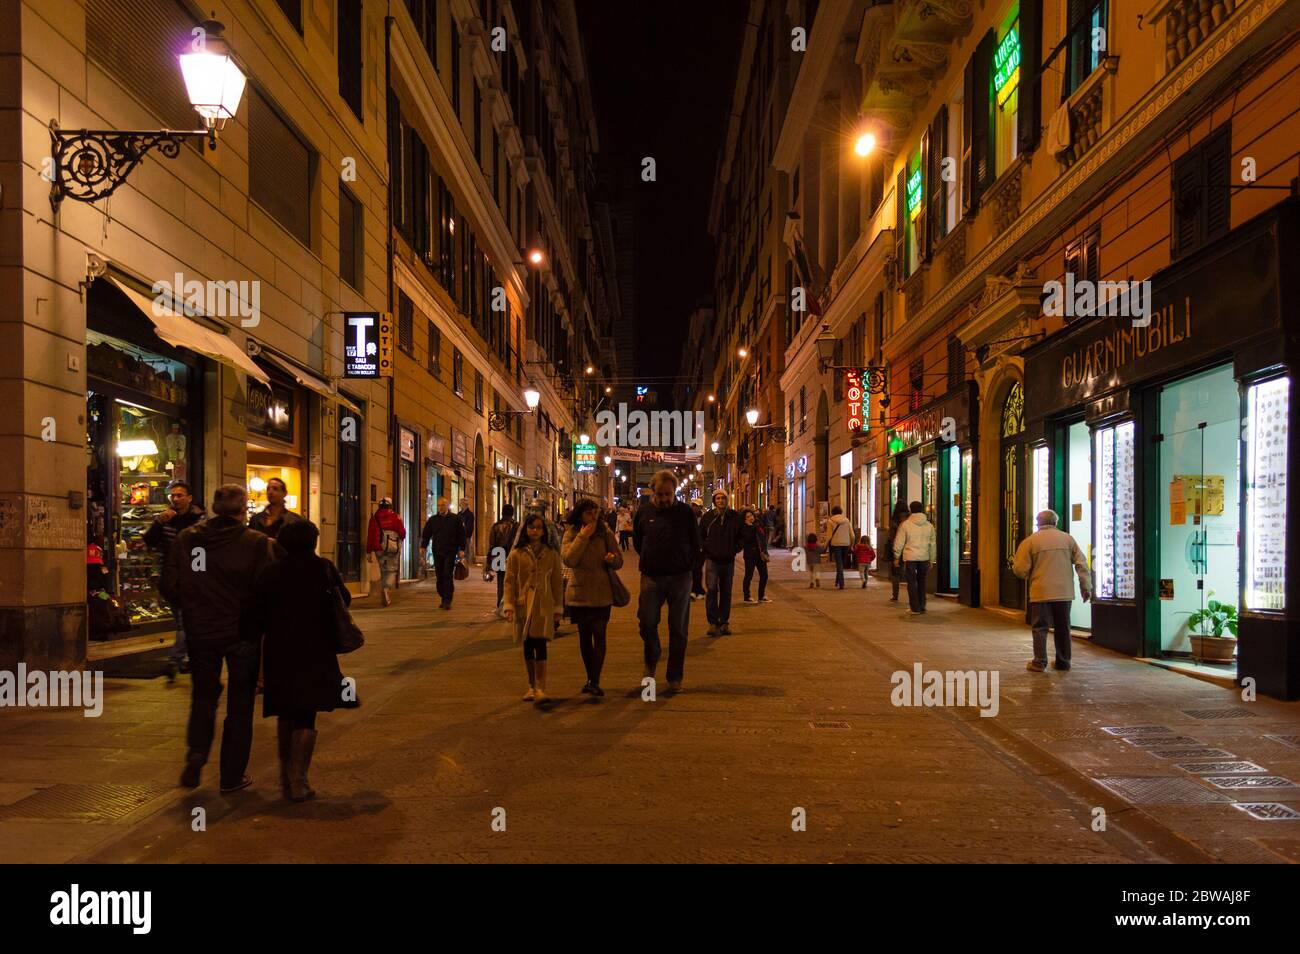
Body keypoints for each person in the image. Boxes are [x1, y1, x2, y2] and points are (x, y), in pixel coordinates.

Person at [161, 483, 279, 793]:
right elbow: (266, 590)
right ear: (243, 510)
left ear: (214, 506)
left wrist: (189, 607)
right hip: (242, 632)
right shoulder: (254, 543)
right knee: (240, 704)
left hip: (201, 630)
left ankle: (197, 753)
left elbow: (169, 583)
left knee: (203, 695)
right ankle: (231, 775)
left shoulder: (189, 538)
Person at [250, 519, 350, 801]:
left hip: (280, 649)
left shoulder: (271, 572)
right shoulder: (323, 569)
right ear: (312, 542)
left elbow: (255, 612)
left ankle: (285, 777)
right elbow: (345, 600)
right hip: (315, 649)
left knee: (285, 710)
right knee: (307, 713)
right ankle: (299, 780)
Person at [633, 469, 700, 692]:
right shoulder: (643, 513)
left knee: (678, 629)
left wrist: (690, 569)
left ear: (674, 492)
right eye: (660, 494)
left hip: (680, 577)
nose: (664, 499)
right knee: (647, 622)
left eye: (668, 494)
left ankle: (674, 678)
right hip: (651, 576)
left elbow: (695, 542)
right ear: (653, 491)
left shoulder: (686, 513)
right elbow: (637, 542)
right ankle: (653, 655)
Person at [1013, 509, 1092, 673]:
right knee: (1063, 627)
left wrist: (1030, 574)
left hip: (1040, 591)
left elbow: (1020, 569)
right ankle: (1063, 662)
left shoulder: (1030, 541)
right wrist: (1086, 587)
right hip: (1063, 592)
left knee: (1040, 627)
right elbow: (1082, 564)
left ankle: (1039, 662)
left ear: (1038, 522)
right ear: (1056, 523)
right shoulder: (1068, 539)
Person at [143, 479, 205, 681]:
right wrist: (159, 522)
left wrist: (199, 575)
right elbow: (149, 541)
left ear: (189, 498)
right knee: (183, 621)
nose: (176, 499)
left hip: (193, 577)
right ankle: (184, 659)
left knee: (184, 622)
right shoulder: (165, 518)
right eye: (173, 495)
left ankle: (175, 659)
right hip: (171, 578)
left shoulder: (200, 520)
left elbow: (201, 550)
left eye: (180, 495)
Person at [562, 499, 623, 696]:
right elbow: (569, 559)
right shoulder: (571, 533)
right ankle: (590, 677)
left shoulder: (605, 532)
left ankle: (594, 680)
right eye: (589, 514)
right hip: (580, 593)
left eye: (596, 514)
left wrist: (612, 559)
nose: (593, 518)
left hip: (601, 592)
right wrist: (582, 537)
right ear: (580, 514)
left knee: (600, 633)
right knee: (585, 637)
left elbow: (619, 559)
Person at [503, 513, 564, 703]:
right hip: (523, 603)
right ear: (525, 529)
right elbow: (509, 581)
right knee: (528, 644)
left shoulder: (552, 554)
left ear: (544, 530)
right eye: (531, 527)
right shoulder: (516, 554)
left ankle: (540, 687)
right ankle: (531, 685)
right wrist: (509, 604)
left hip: (543, 604)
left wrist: (558, 607)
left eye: (539, 527)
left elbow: (556, 583)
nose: (535, 531)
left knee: (541, 644)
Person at [700, 489, 744, 635]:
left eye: (722, 498)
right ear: (714, 501)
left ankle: (724, 622)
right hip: (712, 560)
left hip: (728, 561)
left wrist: (734, 549)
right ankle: (713, 622)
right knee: (712, 590)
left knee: (726, 592)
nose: (720, 501)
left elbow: (741, 536)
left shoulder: (735, 517)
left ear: (726, 500)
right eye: (717, 498)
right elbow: (700, 536)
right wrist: (707, 549)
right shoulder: (708, 517)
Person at [420, 497, 467, 610]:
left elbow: (461, 534)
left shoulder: (455, 519)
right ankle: (443, 595)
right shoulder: (433, 520)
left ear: (447, 506)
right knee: (439, 576)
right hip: (437, 551)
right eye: (439, 505)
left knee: (447, 574)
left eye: (443, 505)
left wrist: (461, 549)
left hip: (450, 551)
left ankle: (447, 599)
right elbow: (426, 533)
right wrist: (423, 546)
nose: (441, 507)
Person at [894, 500, 936, 615]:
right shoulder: (929, 526)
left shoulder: (905, 525)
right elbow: (932, 544)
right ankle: (922, 606)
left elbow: (899, 542)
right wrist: (931, 559)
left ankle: (914, 607)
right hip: (924, 557)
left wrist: (896, 556)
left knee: (911, 582)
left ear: (911, 510)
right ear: (922, 509)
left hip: (910, 557)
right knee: (922, 581)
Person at [365, 498, 406, 607]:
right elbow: (402, 533)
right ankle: (386, 588)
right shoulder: (396, 517)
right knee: (392, 570)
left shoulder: (374, 518)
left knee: (383, 569)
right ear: (390, 506)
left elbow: (370, 536)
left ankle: (385, 589)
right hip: (392, 547)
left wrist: (368, 552)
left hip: (378, 547)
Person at [487, 504, 519, 617]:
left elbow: (491, 545)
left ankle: (500, 607)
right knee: (512, 582)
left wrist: (489, 563)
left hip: (499, 554)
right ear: (512, 513)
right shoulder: (516, 526)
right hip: (513, 556)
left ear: (502, 513)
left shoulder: (496, 526)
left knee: (501, 583)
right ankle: (510, 606)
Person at [248, 476, 303, 541]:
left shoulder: (294, 521)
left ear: (284, 493)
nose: (270, 492)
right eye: (268, 489)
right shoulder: (255, 520)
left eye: (275, 489)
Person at [740, 507, 771, 603]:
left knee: (764, 575)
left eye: (751, 515)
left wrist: (765, 550)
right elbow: (747, 540)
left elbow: (763, 538)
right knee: (749, 576)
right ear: (744, 519)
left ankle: (761, 596)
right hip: (750, 555)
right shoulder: (744, 528)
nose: (751, 518)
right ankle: (747, 596)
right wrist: (750, 527)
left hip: (760, 554)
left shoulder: (757, 525)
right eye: (748, 516)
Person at [884, 502, 910, 602]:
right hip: (909, 549)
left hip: (897, 547)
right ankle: (912, 595)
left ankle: (895, 595)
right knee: (910, 572)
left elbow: (892, 538)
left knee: (895, 573)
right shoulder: (910, 519)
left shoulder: (894, 520)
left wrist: (894, 553)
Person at [826, 505, 855, 589]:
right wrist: (852, 545)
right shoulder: (846, 520)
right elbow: (852, 535)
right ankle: (837, 581)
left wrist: (826, 545)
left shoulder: (830, 521)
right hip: (846, 544)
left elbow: (829, 535)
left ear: (832, 512)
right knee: (841, 563)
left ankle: (841, 583)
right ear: (841, 512)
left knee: (839, 564)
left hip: (836, 544)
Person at [458, 500, 476, 568]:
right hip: (459, 535)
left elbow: (469, 527)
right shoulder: (459, 514)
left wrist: (467, 535)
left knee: (466, 550)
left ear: (465, 505)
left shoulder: (470, 514)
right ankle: (460, 564)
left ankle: (465, 565)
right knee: (460, 551)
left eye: (461, 504)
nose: (460, 506)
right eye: (460, 504)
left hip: (466, 536)